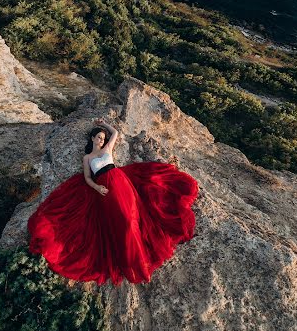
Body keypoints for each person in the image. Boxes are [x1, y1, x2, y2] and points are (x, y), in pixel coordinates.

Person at [27, 118, 199, 286]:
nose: (102, 140)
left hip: (120, 182)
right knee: (121, 223)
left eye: (103, 138)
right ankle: (134, 265)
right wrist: (97, 188)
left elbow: (115, 133)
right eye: (99, 137)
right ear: (92, 138)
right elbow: (87, 178)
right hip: (103, 189)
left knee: (130, 219)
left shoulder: (108, 148)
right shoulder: (87, 158)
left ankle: (139, 266)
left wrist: (103, 125)